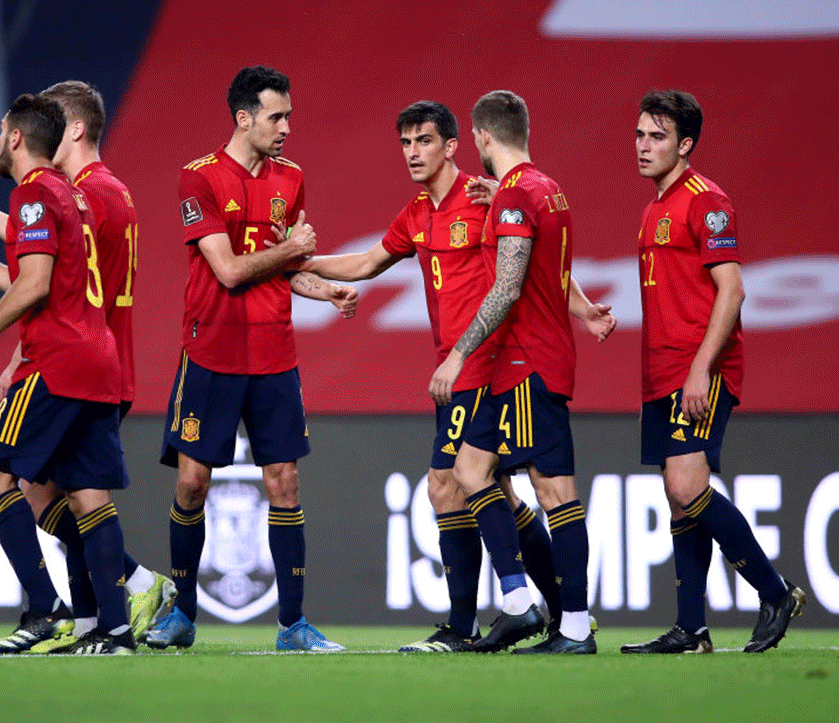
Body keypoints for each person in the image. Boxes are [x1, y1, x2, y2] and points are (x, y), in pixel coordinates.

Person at [303, 101, 613, 651]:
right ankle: (558, 614)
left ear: (453, 145)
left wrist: (582, 307)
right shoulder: (417, 213)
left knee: (451, 484)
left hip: (485, 365)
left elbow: (525, 269)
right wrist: (300, 262)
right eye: (405, 143)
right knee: (492, 490)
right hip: (460, 367)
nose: (413, 153)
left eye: (423, 141)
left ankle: (485, 617)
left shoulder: (485, 199)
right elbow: (369, 261)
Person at [0, 81, 174, 654]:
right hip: (97, 358)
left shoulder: (46, 194)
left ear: (16, 137)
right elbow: (48, 273)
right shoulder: (77, 196)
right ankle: (110, 628)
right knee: (87, 494)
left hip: (58, 361)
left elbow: (35, 284)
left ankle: (46, 611)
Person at [144, 66, 357, 652]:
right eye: (276, 116)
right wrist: (295, 252)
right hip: (209, 353)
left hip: (272, 354)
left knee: (284, 481)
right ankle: (181, 615)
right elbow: (231, 270)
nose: (287, 127)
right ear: (243, 118)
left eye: (288, 115)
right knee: (192, 483)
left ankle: (293, 626)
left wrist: (325, 289)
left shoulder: (292, 179)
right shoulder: (200, 179)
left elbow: (285, 271)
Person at [621, 90, 805, 654]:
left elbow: (733, 289)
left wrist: (701, 367)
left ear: (686, 145)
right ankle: (691, 629)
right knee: (678, 498)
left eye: (658, 136)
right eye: (641, 134)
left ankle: (774, 593)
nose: (645, 145)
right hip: (661, 372)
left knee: (686, 485)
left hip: (699, 369)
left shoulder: (707, 201)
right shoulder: (654, 207)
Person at [430, 90, 597, 654]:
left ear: (480, 137)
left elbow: (507, 286)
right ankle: (520, 600)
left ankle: (574, 627)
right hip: (523, 364)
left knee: (553, 490)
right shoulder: (544, 190)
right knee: (470, 469)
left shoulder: (513, 197)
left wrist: (457, 353)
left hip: (528, 361)